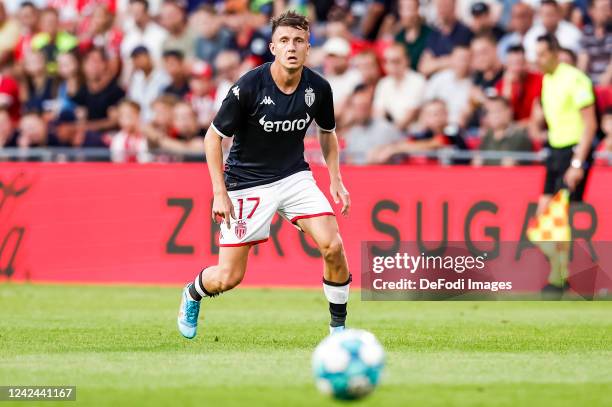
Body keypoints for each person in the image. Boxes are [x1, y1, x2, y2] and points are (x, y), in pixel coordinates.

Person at [177, 11, 351, 339]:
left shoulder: (319, 88)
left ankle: (338, 329)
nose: (292, 47)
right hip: (246, 181)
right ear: (273, 47)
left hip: (293, 176)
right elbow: (212, 138)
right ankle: (193, 293)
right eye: (284, 40)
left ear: (308, 47)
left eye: (299, 41)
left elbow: (326, 133)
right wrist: (219, 192)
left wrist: (336, 178)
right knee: (228, 277)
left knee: (333, 246)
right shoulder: (249, 86)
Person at [342, 85, 404, 165]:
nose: (360, 111)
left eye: (364, 106)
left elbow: (403, 152)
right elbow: (348, 159)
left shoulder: (386, 128)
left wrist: (392, 151)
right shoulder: (350, 133)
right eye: (357, 107)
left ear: (371, 106)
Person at [373, 43, 426, 131]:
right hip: (391, 131)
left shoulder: (418, 81)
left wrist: (388, 135)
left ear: (407, 60)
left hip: (412, 131)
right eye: (387, 61)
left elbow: (409, 117)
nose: (391, 66)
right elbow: (378, 115)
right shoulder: (383, 83)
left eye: (396, 61)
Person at [473, 96, 533, 166]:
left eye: (496, 111)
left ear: (509, 111)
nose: (493, 116)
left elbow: (516, 164)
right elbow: (478, 160)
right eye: (489, 112)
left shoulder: (520, 136)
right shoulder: (488, 136)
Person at [577, 0, 612, 85]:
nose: (608, 12)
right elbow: (583, 63)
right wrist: (582, 83)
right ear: (591, 11)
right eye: (603, 8)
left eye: (609, 7)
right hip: (590, 83)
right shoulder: (587, 32)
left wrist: (602, 85)